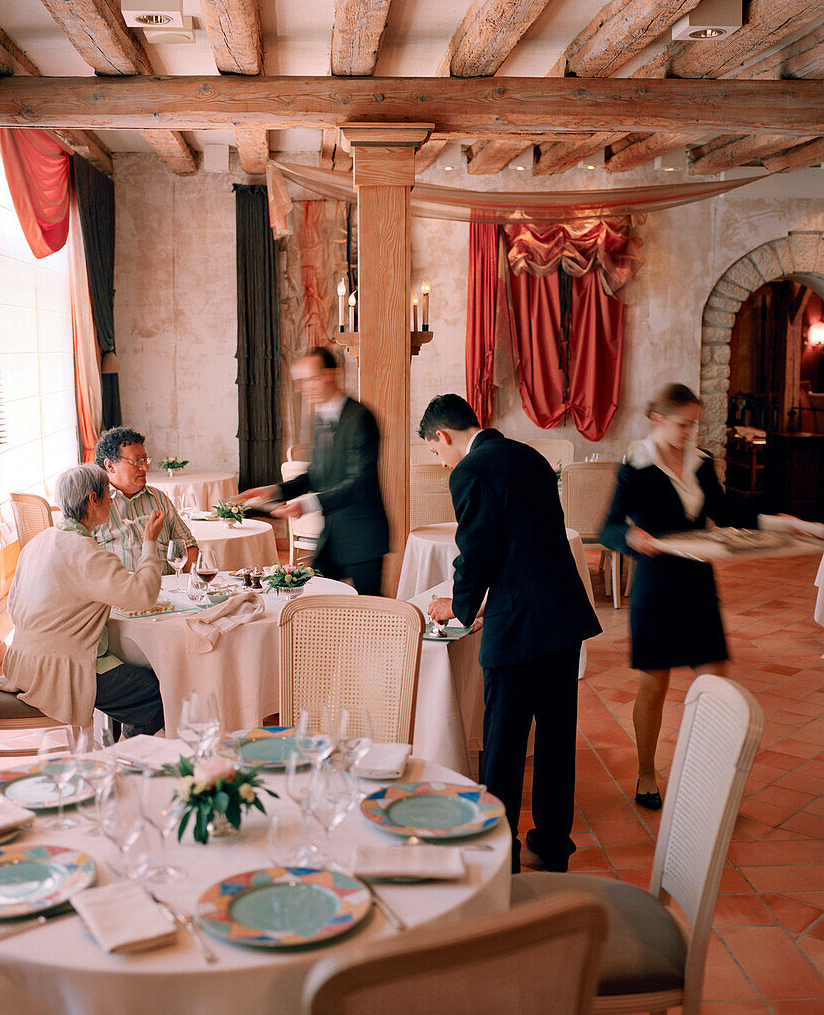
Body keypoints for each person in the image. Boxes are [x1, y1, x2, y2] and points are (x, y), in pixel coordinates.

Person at [601, 383, 824, 810]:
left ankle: (706, 779)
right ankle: (647, 773)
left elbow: (728, 513)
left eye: (694, 425)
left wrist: (784, 523)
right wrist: (632, 536)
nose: (690, 432)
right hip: (657, 586)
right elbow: (610, 525)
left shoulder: (701, 463)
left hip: (698, 583)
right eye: (683, 424)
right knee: (654, 684)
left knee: (714, 683)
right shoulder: (636, 466)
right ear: (658, 420)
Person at [421, 395, 601, 874]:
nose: (442, 463)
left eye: (436, 452)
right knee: (557, 736)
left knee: (503, 740)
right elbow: (525, 543)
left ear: (443, 436)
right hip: (562, 614)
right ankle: (554, 844)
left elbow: (477, 553)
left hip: (519, 622)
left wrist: (458, 609)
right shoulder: (530, 456)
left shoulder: (471, 469)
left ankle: (504, 850)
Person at [1, 464, 167, 736]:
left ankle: (121, 742)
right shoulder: (85, 553)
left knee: (131, 675)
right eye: (108, 494)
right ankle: (131, 759)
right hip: (60, 673)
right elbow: (143, 596)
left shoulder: (39, 541)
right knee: (163, 689)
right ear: (93, 499)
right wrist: (150, 542)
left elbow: (13, 605)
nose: (112, 500)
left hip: (22, 663)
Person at [239, 346, 389, 596]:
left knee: (371, 611)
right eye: (300, 381)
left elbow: (360, 482)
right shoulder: (319, 419)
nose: (303, 388)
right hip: (332, 534)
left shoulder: (360, 417)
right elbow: (316, 475)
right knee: (315, 601)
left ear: (331, 374)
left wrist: (306, 505)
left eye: (309, 379)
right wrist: (274, 490)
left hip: (363, 535)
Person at [94, 426, 198, 575]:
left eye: (145, 459)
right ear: (110, 466)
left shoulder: (158, 498)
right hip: (120, 592)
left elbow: (188, 545)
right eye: (136, 461)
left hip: (165, 591)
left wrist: (191, 584)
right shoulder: (94, 504)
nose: (145, 467)